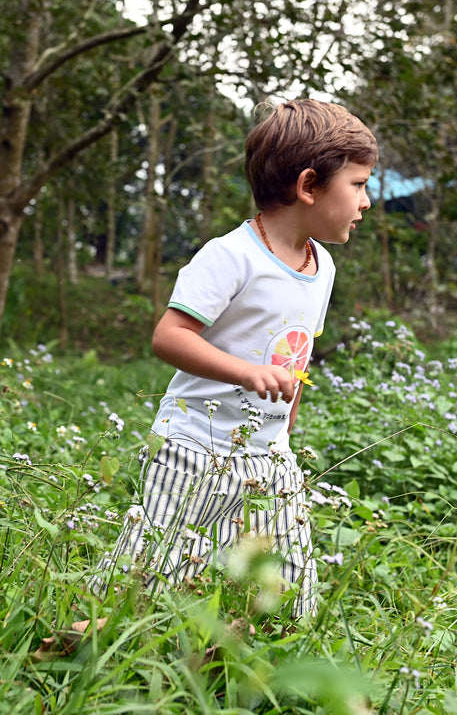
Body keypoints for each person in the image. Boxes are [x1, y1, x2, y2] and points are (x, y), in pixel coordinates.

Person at [94, 98, 379, 618]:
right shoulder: (230, 256)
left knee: (291, 584)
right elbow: (170, 336)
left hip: (270, 455)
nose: (367, 201)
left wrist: (286, 431)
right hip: (193, 448)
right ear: (309, 186)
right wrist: (248, 372)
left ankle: (277, 650)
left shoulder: (323, 265)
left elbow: (296, 356)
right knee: (150, 571)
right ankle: (95, 632)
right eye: (358, 184)